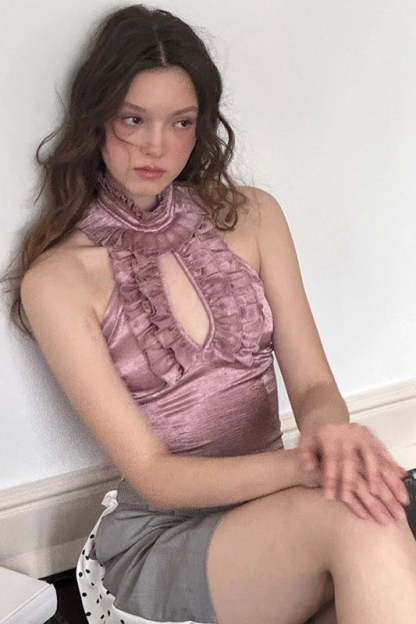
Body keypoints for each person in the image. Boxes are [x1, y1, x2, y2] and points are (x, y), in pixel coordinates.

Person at [4, 4, 415, 624]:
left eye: (181, 122)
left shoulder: (254, 215)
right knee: (365, 523)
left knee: (375, 527)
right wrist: (304, 467)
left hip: (281, 509)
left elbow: (312, 385)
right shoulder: (57, 280)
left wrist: (329, 436)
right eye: (133, 119)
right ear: (96, 120)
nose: (156, 146)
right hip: (166, 537)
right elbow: (155, 475)